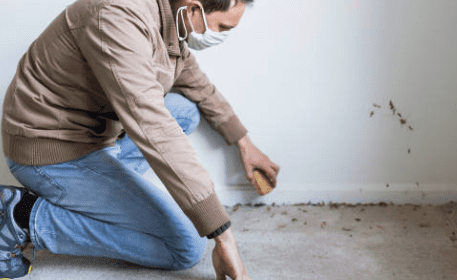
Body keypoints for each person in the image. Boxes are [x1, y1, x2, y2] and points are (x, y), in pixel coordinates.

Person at [0, 0, 279, 279]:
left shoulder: (167, 20)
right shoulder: (116, 19)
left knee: (183, 112)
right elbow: (153, 126)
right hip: (50, 149)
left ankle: (91, 189)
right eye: (222, 27)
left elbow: (197, 85)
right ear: (193, 8)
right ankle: (20, 215)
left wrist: (244, 143)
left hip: (90, 133)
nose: (222, 35)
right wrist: (222, 233)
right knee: (185, 247)